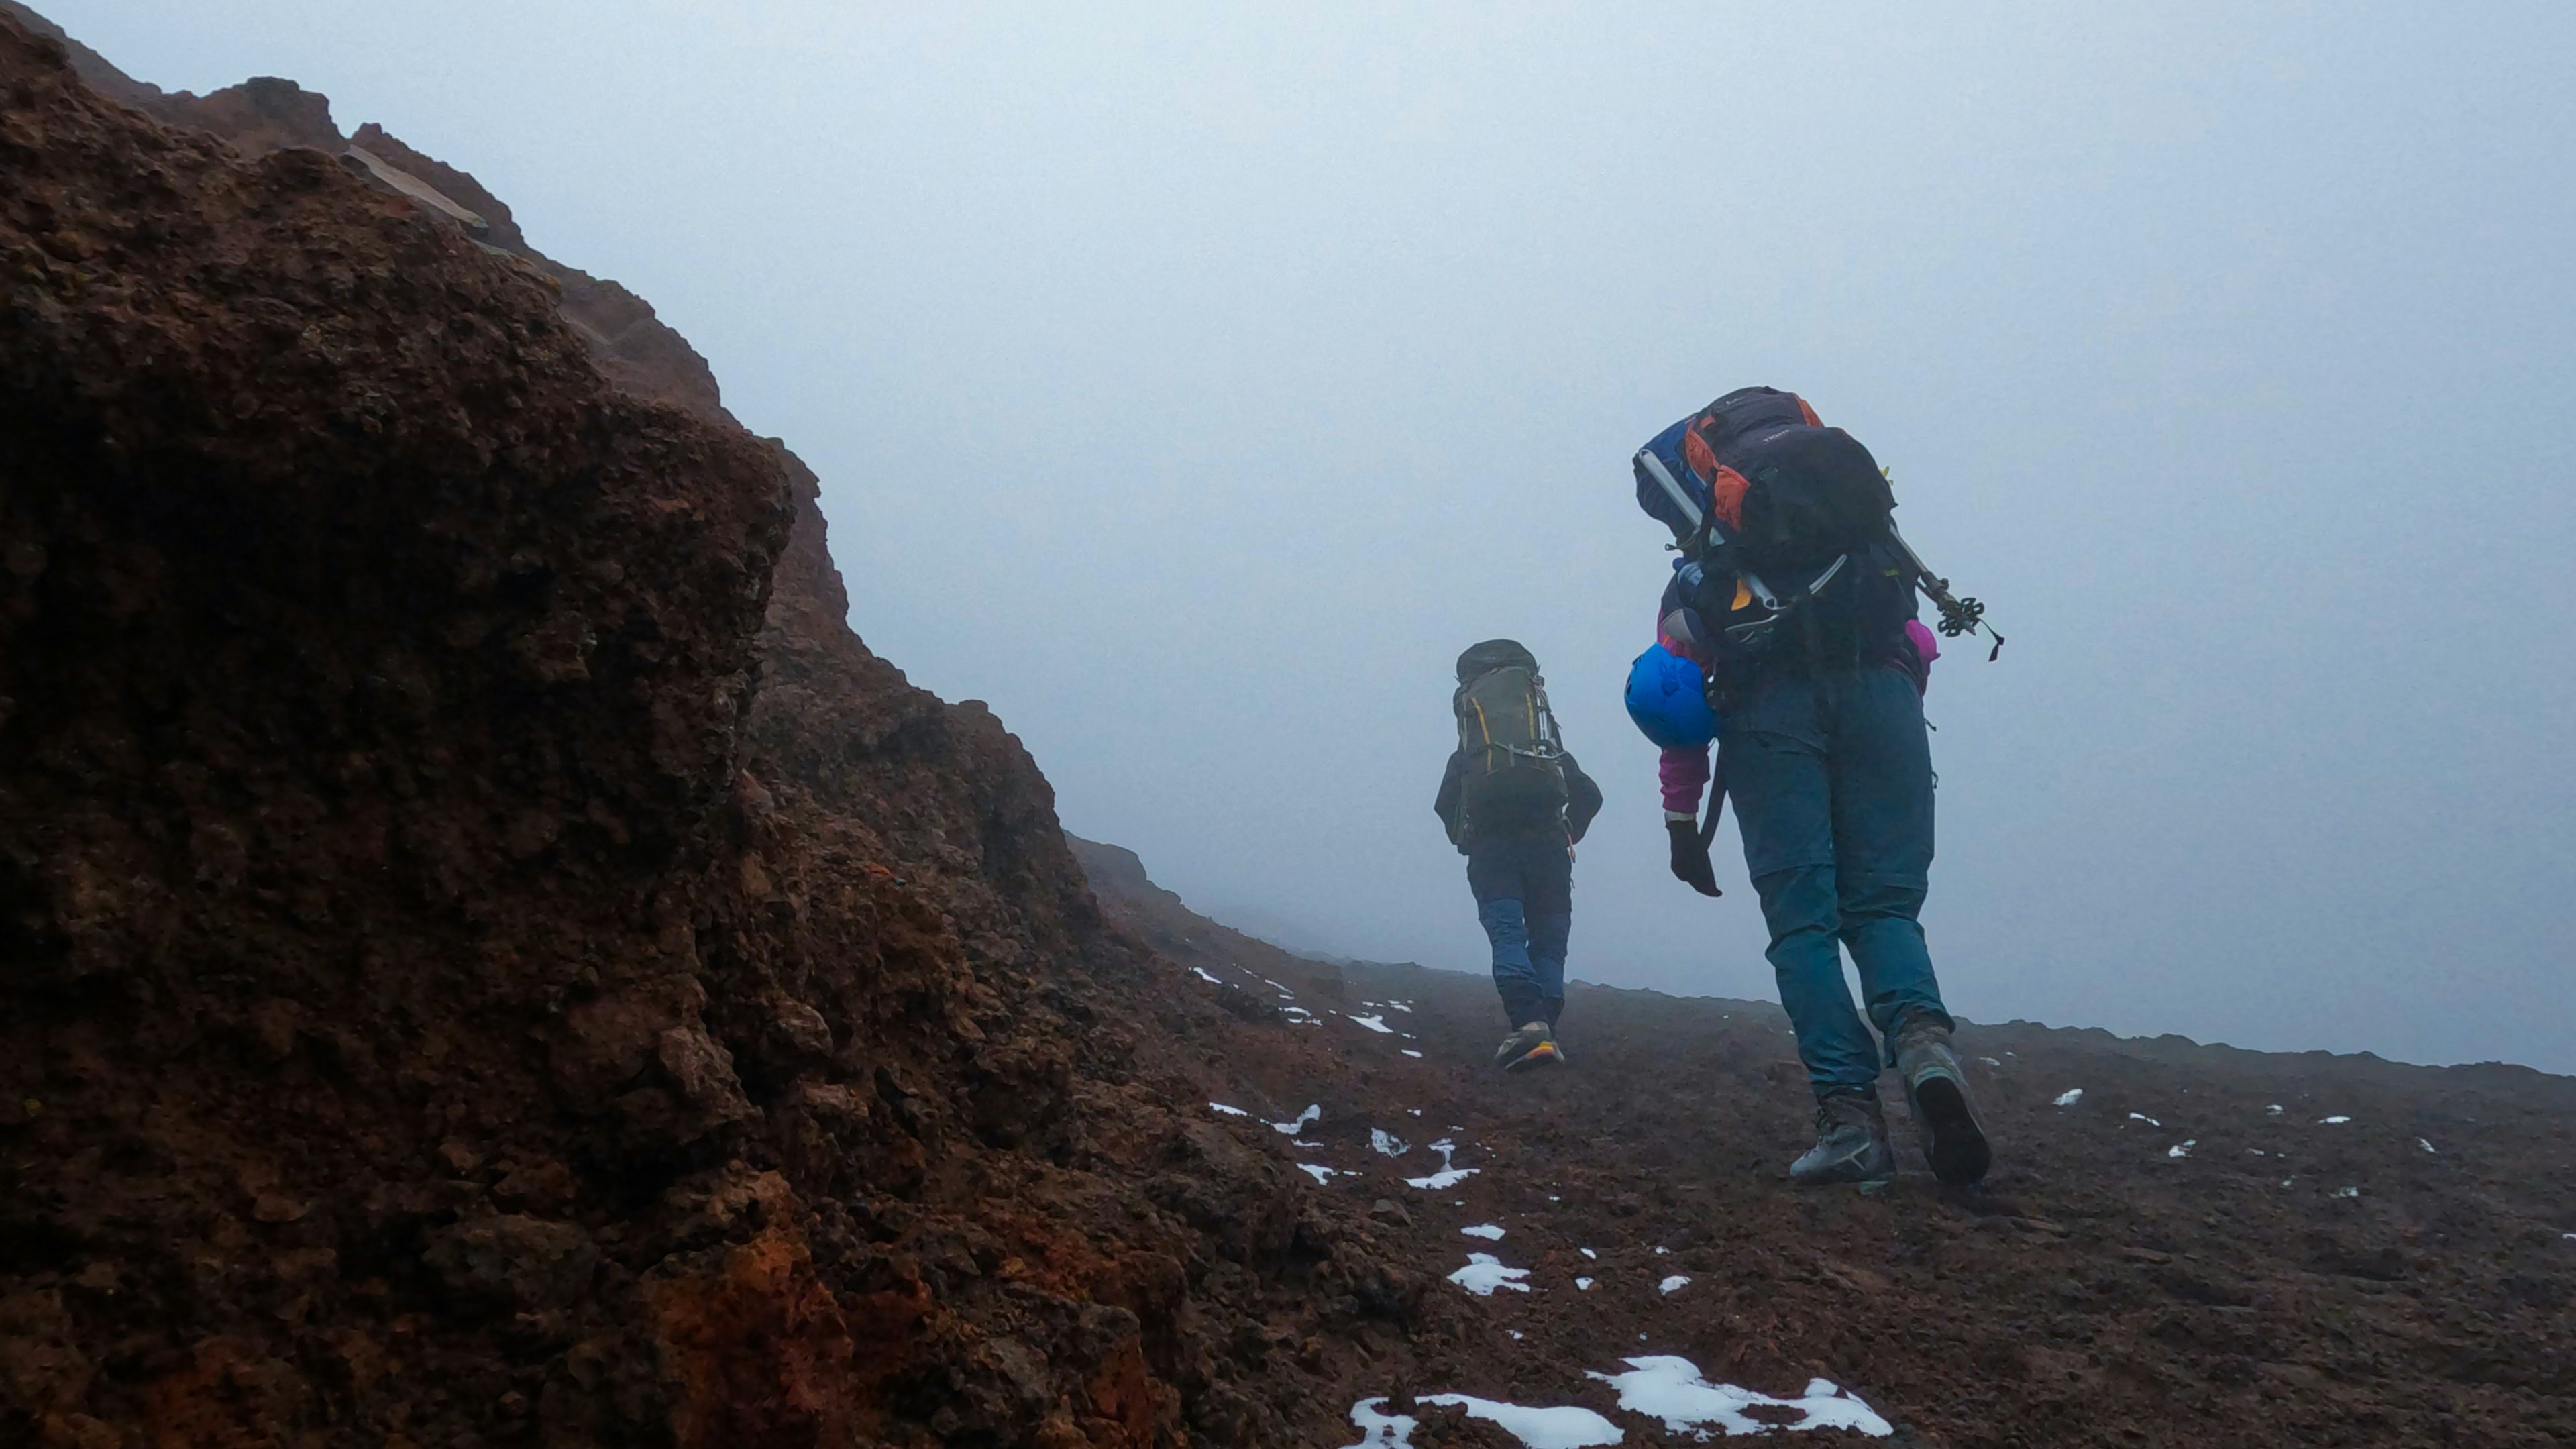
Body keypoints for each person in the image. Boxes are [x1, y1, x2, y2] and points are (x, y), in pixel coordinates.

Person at [1636, 386, 1990, 1187]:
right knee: (1885, 908)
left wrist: (1682, 821)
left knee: (1805, 926)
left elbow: (1677, 702)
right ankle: (1926, 1048)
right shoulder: (1869, 543)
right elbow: (1920, 643)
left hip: (1772, 721)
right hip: (1886, 703)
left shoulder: (1703, 574)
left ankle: (1851, 1122)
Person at [1434, 639, 1602, 1072]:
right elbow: (1589, 795)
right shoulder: (1547, 752)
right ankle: (1545, 1028)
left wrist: (1467, 840)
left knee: (1508, 934)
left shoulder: (1472, 755)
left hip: (1494, 852)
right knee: (1549, 941)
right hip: (1549, 851)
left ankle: (1529, 1026)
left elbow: (1444, 805)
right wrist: (1568, 830)